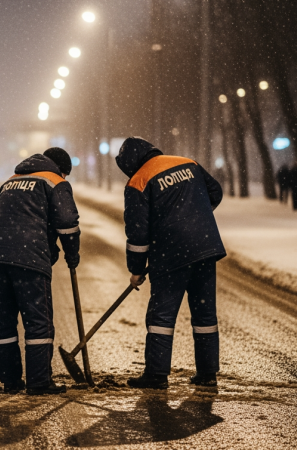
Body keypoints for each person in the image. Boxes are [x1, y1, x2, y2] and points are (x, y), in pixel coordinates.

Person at [115, 137, 226, 390]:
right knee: (205, 313)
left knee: (161, 317)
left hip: (170, 255)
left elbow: (137, 234)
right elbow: (215, 192)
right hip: (205, 248)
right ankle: (208, 373)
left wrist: (135, 269)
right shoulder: (188, 162)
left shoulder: (138, 181)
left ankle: (156, 374)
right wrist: (196, 217)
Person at [0, 148, 80, 395]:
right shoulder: (55, 181)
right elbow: (67, 224)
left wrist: (51, 250)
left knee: (3, 324)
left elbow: (23, 219)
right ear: (62, 169)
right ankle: (39, 382)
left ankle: (11, 381)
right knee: (38, 322)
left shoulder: (10, 182)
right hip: (28, 259)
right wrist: (71, 253)